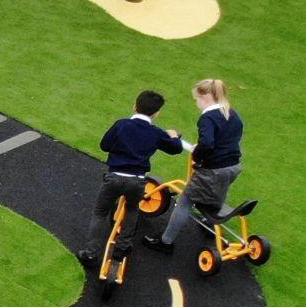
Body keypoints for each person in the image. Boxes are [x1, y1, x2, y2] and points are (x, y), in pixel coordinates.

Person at [81, 89, 184, 269]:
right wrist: (173, 136)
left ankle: (90, 254)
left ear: (135, 106)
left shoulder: (121, 125)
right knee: (131, 210)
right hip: (137, 181)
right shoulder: (155, 133)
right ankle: (122, 247)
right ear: (157, 113)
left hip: (114, 177)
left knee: (100, 213)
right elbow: (175, 149)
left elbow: (104, 145)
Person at [154, 78, 243, 256]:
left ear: (205, 97)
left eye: (197, 100)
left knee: (186, 200)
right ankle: (210, 222)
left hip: (214, 169)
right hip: (233, 166)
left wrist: (198, 156)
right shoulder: (232, 113)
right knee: (220, 188)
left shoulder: (208, 118)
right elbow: (234, 135)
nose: (197, 104)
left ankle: (165, 242)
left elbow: (208, 143)